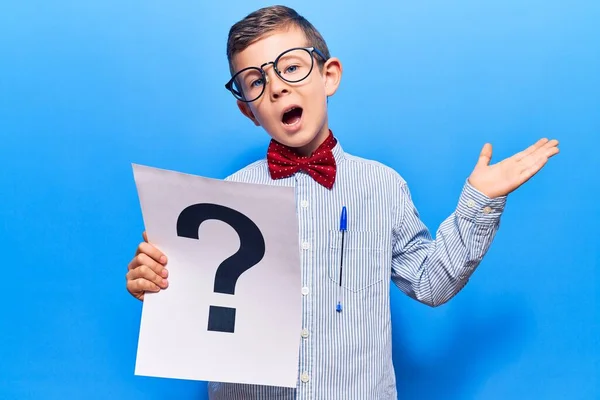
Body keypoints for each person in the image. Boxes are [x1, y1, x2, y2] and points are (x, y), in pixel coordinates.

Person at [125, 5, 559, 399]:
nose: (275, 87)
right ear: (248, 111)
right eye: (255, 81)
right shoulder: (223, 199)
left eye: (290, 67)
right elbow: (203, 305)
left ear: (328, 75)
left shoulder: (383, 185)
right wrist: (160, 284)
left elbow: (431, 283)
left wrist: (480, 200)